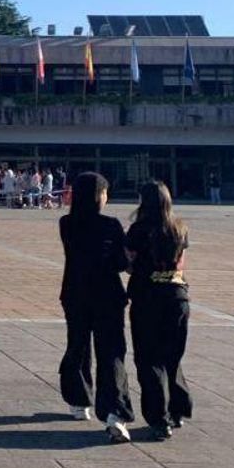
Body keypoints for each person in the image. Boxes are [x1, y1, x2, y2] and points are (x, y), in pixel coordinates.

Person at [58, 171, 135, 442]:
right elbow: (120, 263)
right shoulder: (111, 225)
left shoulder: (66, 223)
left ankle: (79, 401)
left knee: (77, 345)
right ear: (98, 196)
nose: (106, 197)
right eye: (104, 192)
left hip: (75, 293)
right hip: (107, 294)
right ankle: (114, 412)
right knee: (111, 352)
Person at [126, 180, 193, 440]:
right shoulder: (180, 229)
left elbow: (130, 264)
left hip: (147, 298)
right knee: (172, 357)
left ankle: (158, 418)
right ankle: (178, 410)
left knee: (148, 359)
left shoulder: (138, 230)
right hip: (177, 298)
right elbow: (180, 265)